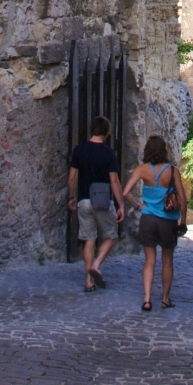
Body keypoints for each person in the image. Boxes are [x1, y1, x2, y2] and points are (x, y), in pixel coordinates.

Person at [122, 134, 187, 312]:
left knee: (149, 260)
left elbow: (126, 192)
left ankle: (147, 299)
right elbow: (182, 198)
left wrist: (138, 206)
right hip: (168, 222)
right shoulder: (173, 171)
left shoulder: (142, 169)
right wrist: (184, 221)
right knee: (167, 260)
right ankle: (165, 299)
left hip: (148, 219)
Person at [68, 116, 125, 292]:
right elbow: (114, 181)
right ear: (107, 133)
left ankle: (88, 281)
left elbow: (72, 177)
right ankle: (97, 264)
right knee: (110, 235)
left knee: (89, 239)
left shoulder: (79, 150)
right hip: (102, 201)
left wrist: (72, 197)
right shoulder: (109, 153)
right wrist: (121, 205)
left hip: (84, 201)